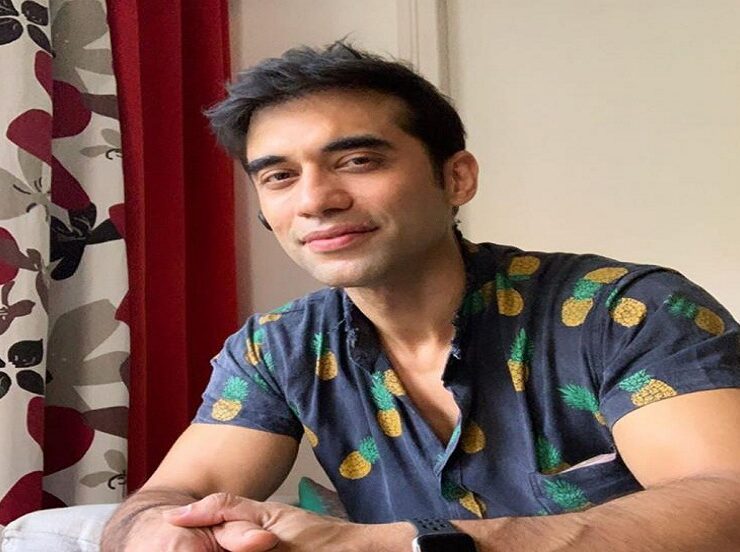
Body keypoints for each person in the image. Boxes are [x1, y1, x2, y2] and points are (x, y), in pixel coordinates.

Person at [102, 41, 740, 552]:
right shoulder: (276, 349)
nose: (315, 200)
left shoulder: (629, 312)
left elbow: (726, 500)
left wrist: (393, 544)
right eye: (279, 176)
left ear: (456, 178)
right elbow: (170, 496)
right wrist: (161, 534)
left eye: (357, 161)